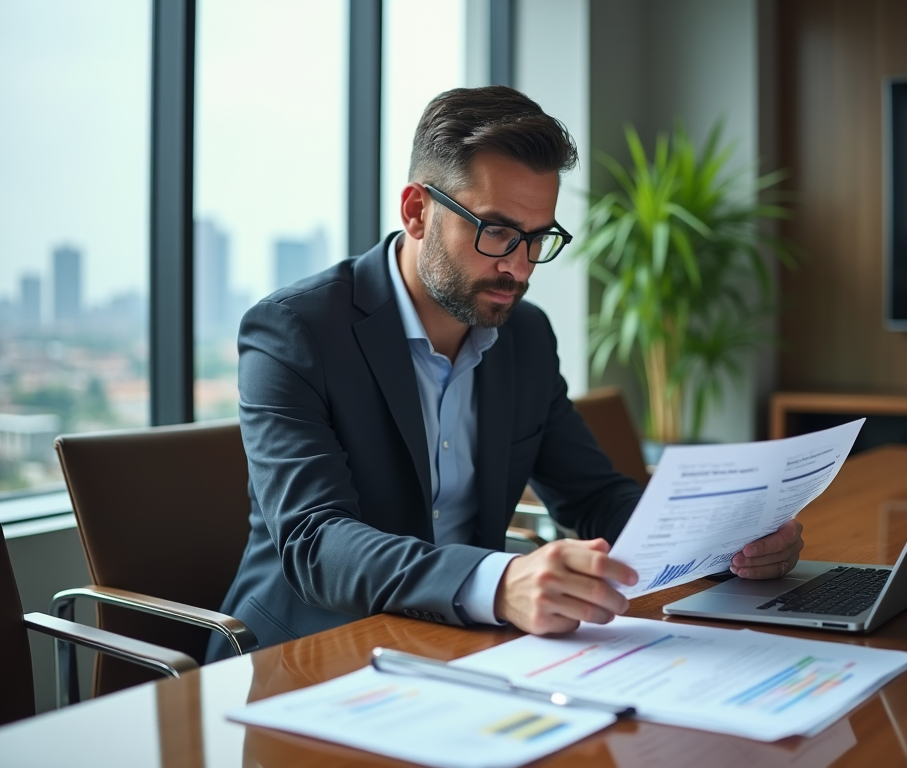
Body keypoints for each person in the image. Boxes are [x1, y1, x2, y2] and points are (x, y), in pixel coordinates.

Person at [208, 86, 803, 662]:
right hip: (306, 652)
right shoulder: (295, 331)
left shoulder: (525, 336)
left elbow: (593, 494)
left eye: (537, 237)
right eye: (496, 232)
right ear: (418, 211)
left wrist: (726, 538)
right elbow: (316, 542)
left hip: (461, 647)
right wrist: (500, 582)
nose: (518, 268)